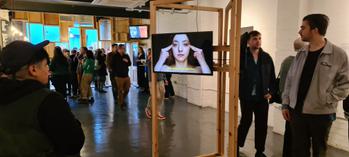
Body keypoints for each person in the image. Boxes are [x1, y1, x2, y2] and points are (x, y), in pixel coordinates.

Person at [0, 40, 84, 156]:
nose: (48, 70)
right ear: (33, 69)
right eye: (45, 65)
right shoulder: (48, 100)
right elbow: (73, 142)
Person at [282, 14, 349, 157]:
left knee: (319, 152)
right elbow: (290, 80)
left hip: (321, 114)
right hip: (297, 112)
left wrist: (327, 99)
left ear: (315, 30)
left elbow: (345, 84)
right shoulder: (301, 53)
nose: (300, 32)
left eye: (303, 28)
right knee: (299, 151)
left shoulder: (338, 54)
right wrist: (286, 104)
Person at [238, 30, 276, 157]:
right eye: (254, 38)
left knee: (262, 125)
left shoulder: (266, 57)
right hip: (246, 96)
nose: (258, 41)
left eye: (260, 38)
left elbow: (272, 77)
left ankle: (260, 151)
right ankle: (237, 144)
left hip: (262, 97)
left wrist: (271, 93)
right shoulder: (242, 56)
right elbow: (241, 43)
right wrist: (245, 36)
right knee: (246, 121)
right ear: (248, 41)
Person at [279, 38, 305, 157]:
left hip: (286, 102)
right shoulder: (298, 63)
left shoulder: (286, 61)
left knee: (289, 132)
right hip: (295, 104)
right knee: (297, 135)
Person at [145, 48, 166, 120]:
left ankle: (157, 112)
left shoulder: (160, 58)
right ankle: (148, 109)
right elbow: (146, 64)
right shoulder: (149, 59)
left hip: (160, 79)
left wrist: (165, 78)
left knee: (162, 95)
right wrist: (149, 59)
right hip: (152, 80)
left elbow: (162, 68)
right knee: (156, 96)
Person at [111, 44, 131, 110]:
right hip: (118, 76)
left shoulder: (126, 55)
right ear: (119, 49)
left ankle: (121, 99)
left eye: (124, 48)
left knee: (127, 89)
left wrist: (127, 61)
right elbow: (112, 66)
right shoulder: (115, 56)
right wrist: (115, 74)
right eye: (123, 48)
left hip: (126, 75)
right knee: (120, 90)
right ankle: (121, 103)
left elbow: (130, 64)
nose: (124, 49)